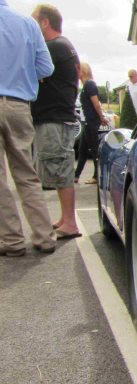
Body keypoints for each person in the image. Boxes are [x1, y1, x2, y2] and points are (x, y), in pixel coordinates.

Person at [0, 0, 56, 256]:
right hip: (19, 105)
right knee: (26, 173)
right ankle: (45, 237)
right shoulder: (27, 23)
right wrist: (22, 75)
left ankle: (12, 241)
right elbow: (46, 67)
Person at [31, 4, 81, 239]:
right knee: (61, 167)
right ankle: (65, 218)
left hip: (55, 118)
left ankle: (70, 222)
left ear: (45, 22)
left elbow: (29, 71)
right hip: (58, 117)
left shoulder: (53, 47)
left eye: (34, 21)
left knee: (60, 169)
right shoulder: (63, 46)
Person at [74, 62, 108, 184]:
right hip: (87, 121)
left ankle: (98, 176)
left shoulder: (89, 85)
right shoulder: (86, 85)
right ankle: (76, 175)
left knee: (94, 150)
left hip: (91, 121)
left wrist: (101, 117)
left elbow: (96, 103)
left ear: (82, 71)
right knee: (83, 149)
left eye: (77, 70)